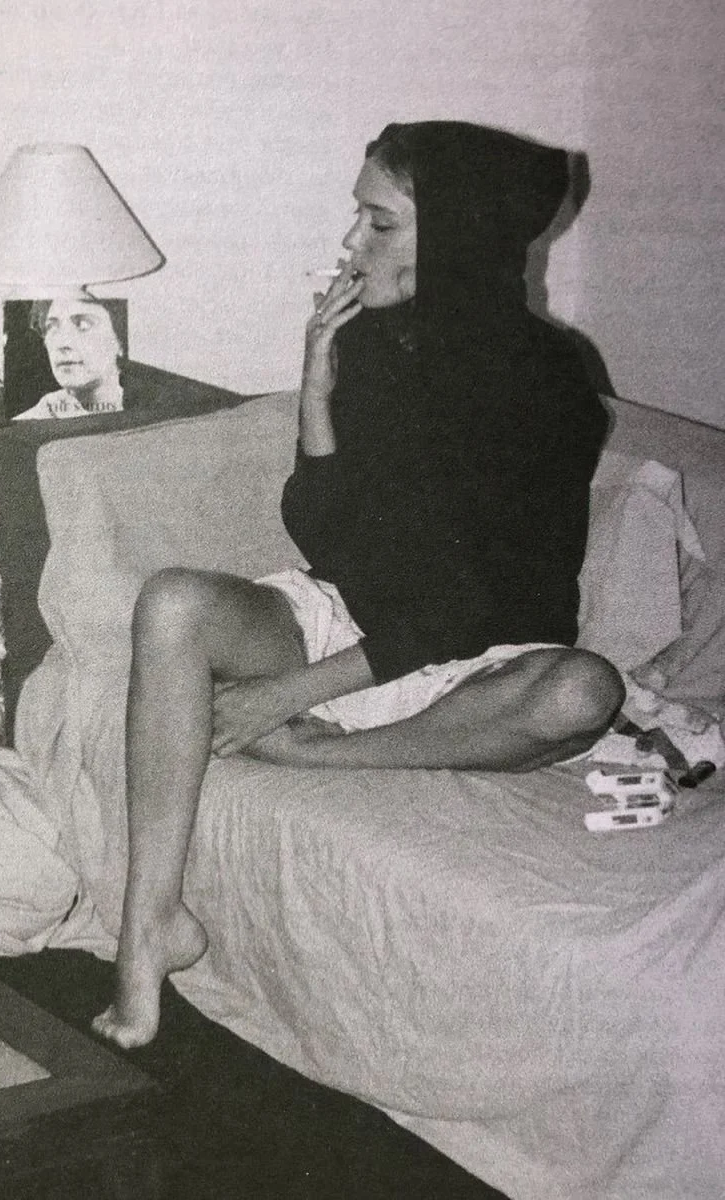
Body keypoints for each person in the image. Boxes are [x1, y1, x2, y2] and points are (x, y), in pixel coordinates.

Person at [92, 121, 625, 1049]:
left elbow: (466, 603)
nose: (350, 243)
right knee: (173, 601)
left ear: (457, 237)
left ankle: (327, 756)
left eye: (380, 224)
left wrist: (286, 700)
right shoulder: (378, 344)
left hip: (479, 659)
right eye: (357, 219)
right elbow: (324, 531)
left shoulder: (547, 382)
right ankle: (150, 928)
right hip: (355, 619)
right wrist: (317, 388)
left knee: (584, 691)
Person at [13, 294, 124, 419]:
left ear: (119, 340)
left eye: (83, 325)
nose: (63, 344)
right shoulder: (32, 420)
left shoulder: (140, 408)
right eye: (52, 327)